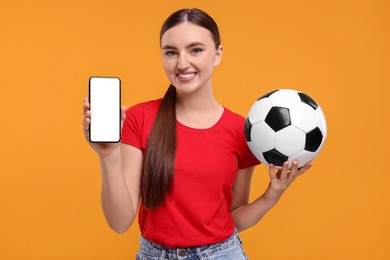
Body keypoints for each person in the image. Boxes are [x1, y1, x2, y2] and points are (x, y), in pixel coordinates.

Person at [82, 8, 312, 260]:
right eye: (171, 52)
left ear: (217, 54)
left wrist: (271, 196)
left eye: (195, 50)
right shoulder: (139, 119)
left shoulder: (241, 130)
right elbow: (119, 222)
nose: (182, 63)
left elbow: (233, 218)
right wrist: (108, 155)